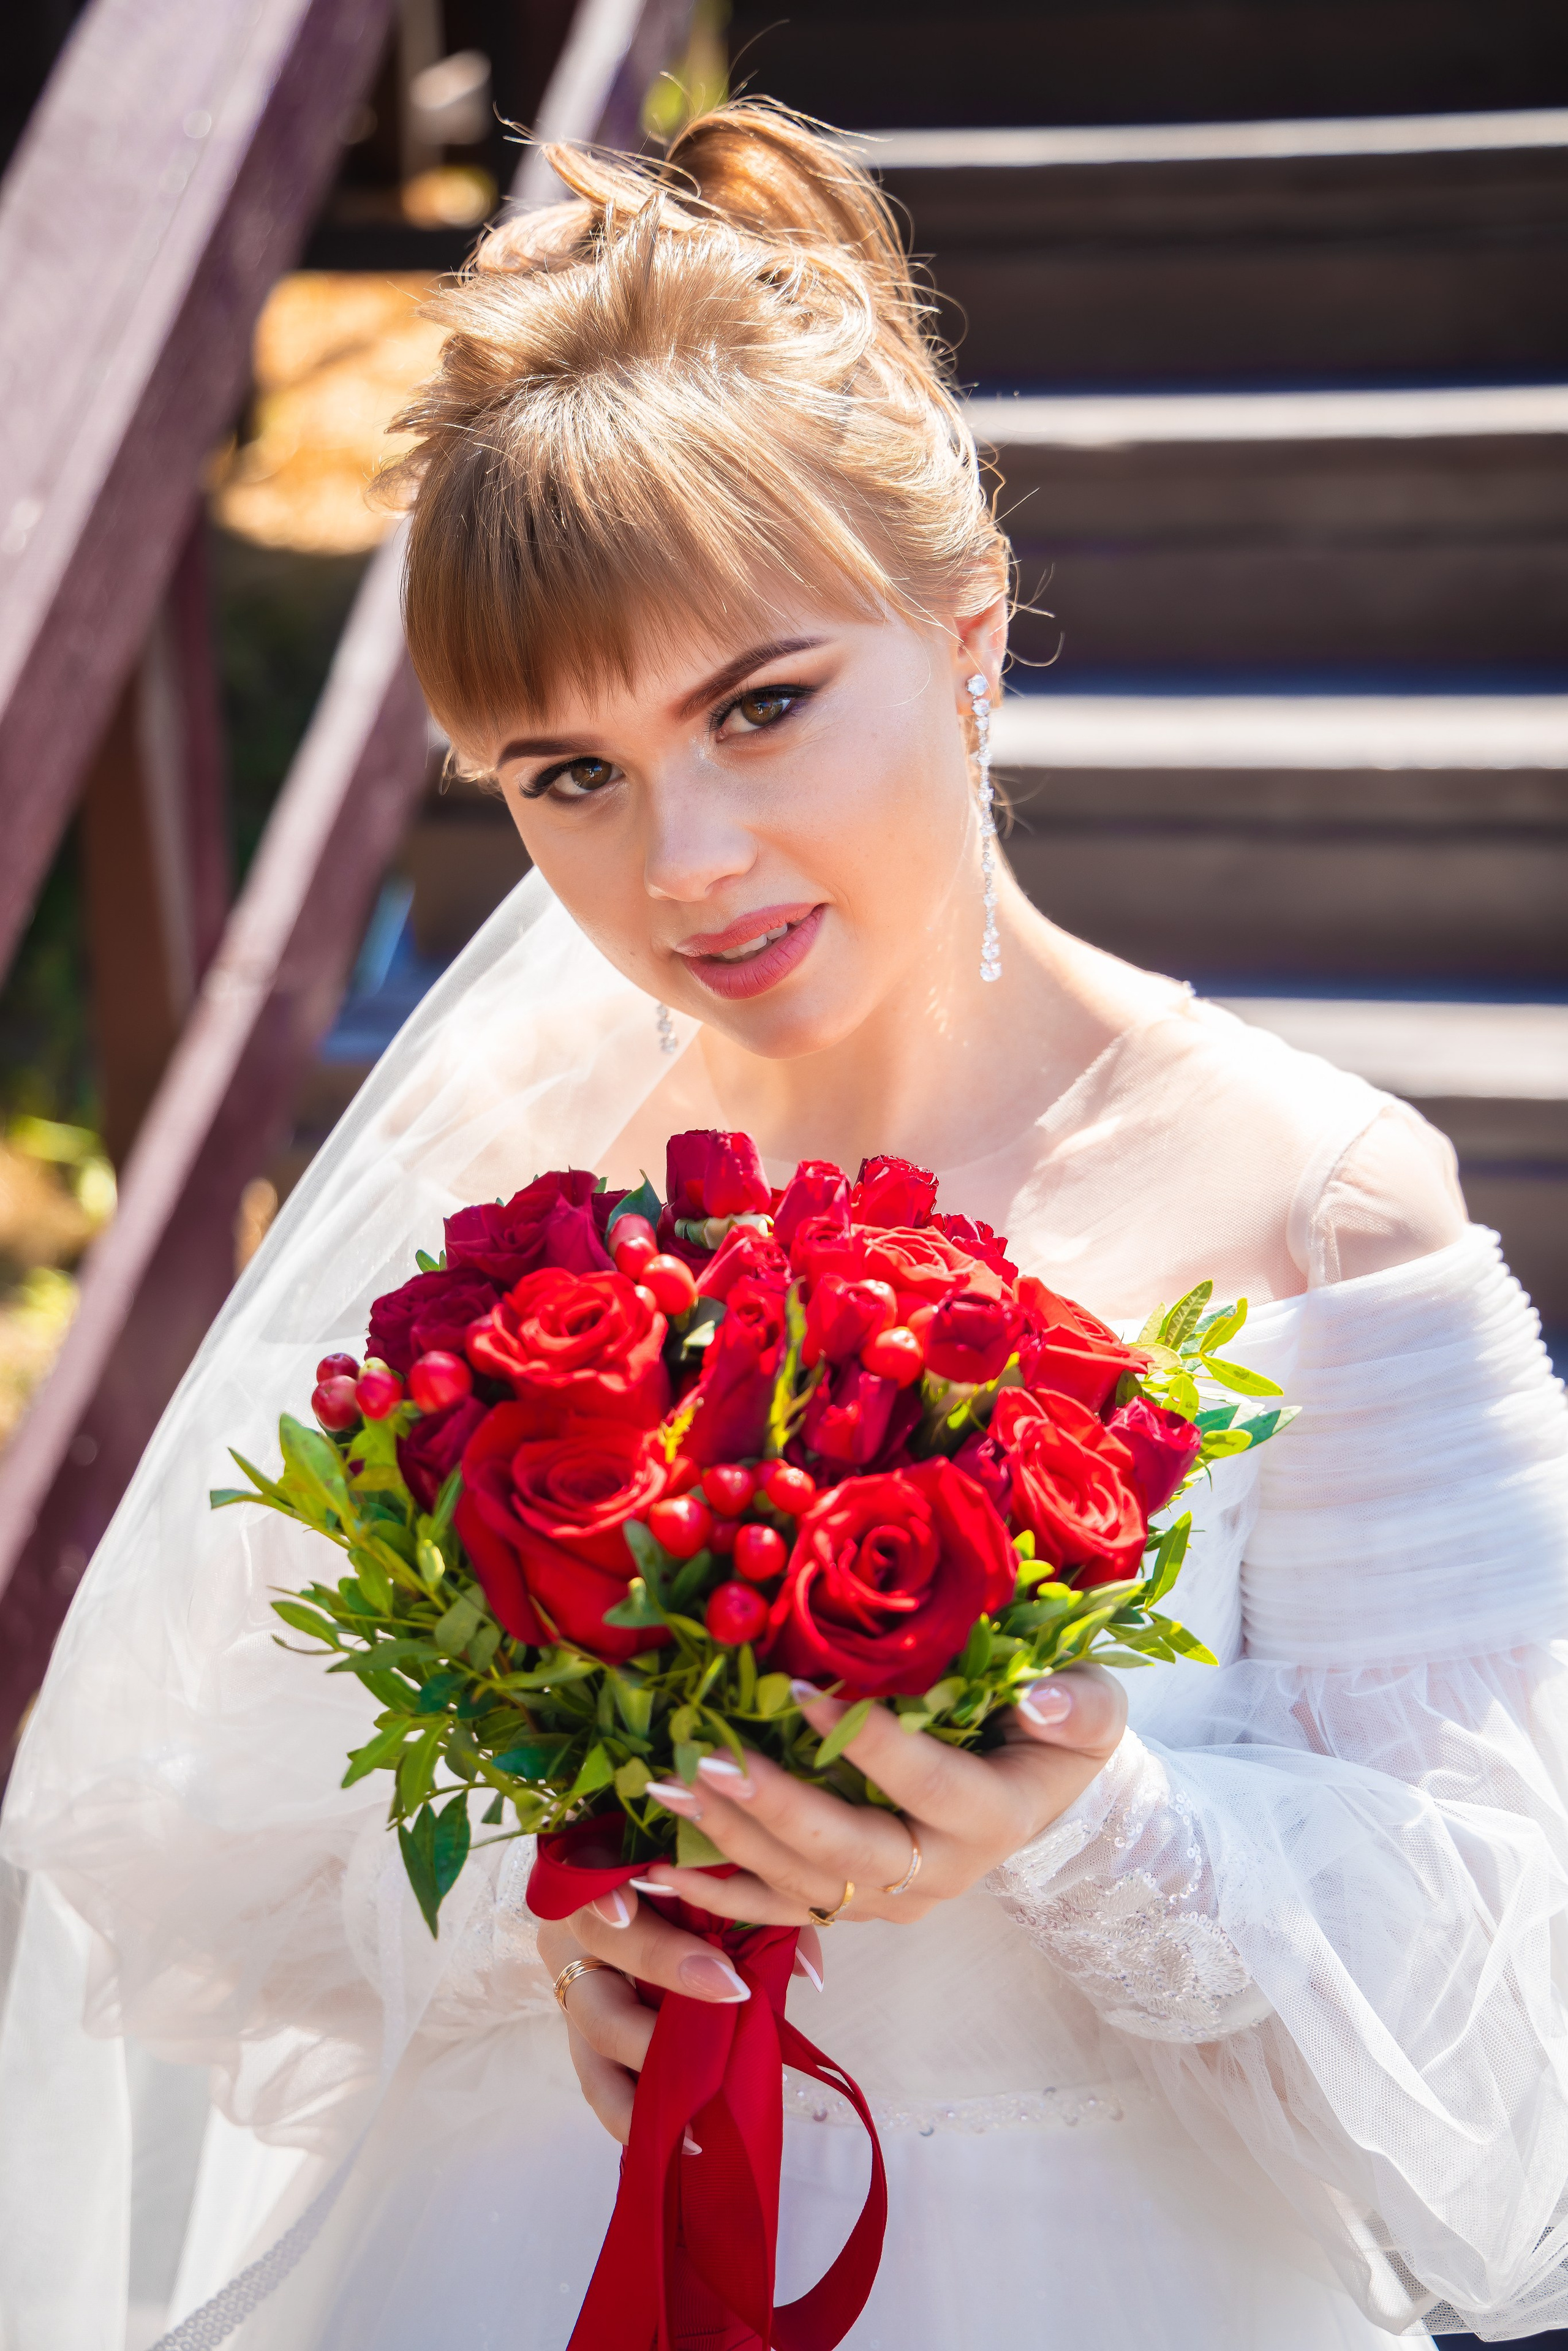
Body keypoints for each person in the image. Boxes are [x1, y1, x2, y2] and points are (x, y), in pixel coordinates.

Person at [2, 101, 1566, 2351]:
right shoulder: (500, 1219)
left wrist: (1087, 1824)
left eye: (761, 707)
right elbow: (196, 1834)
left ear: (971, 638)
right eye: (571, 775)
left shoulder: (1318, 1205)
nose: (689, 863)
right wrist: (534, 1917)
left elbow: (1513, 2036)